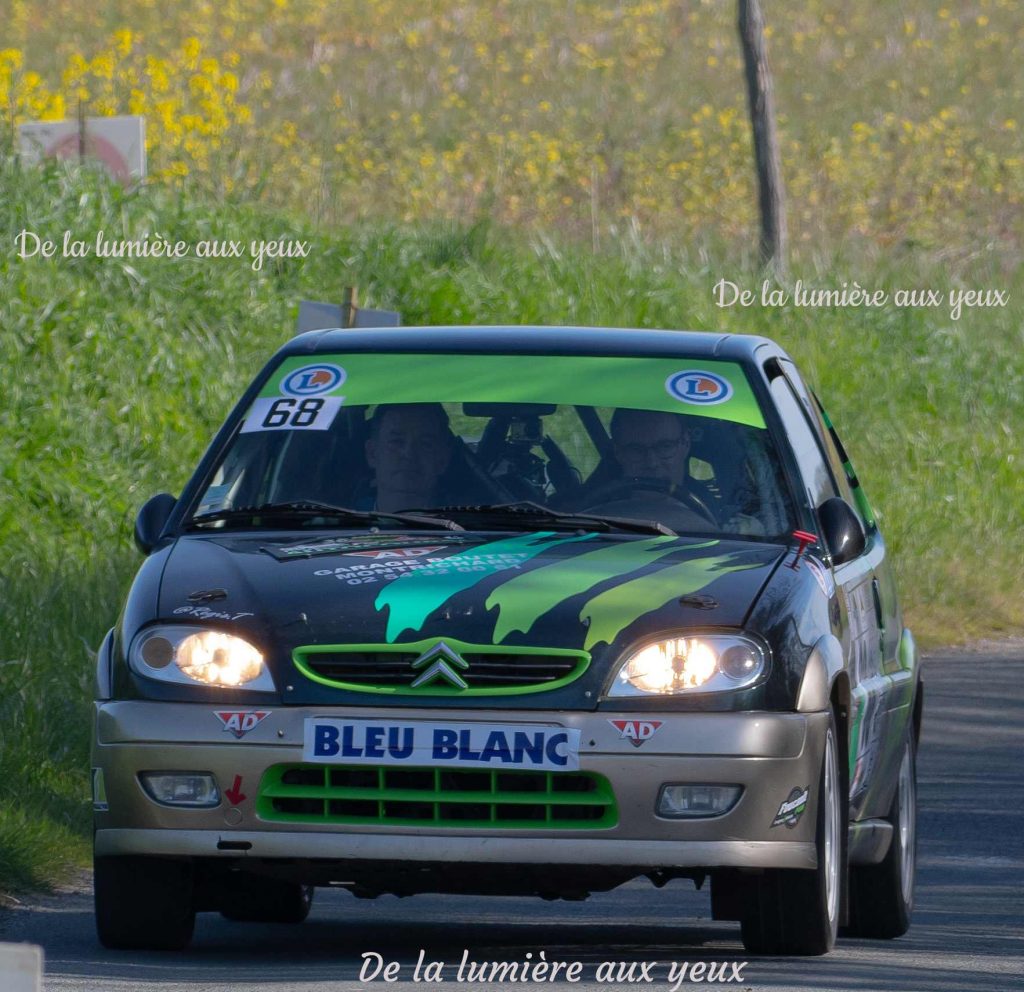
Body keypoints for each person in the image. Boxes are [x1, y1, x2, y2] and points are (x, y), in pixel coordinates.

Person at [364, 403, 455, 511]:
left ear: (442, 460)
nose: (409, 454)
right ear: (372, 454)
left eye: (425, 444)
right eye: (396, 441)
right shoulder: (344, 520)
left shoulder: (468, 521)